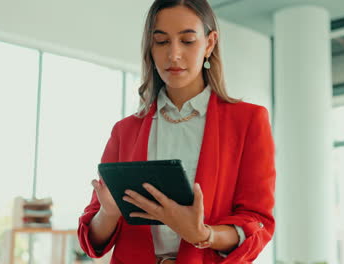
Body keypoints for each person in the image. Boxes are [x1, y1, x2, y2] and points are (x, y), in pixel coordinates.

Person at [77, 0, 276, 263]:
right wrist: (110, 213)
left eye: (188, 41)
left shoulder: (249, 120)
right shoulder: (124, 131)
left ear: (210, 43)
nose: (173, 55)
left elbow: (257, 223)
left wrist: (203, 234)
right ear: (151, 47)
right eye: (161, 42)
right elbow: (93, 242)